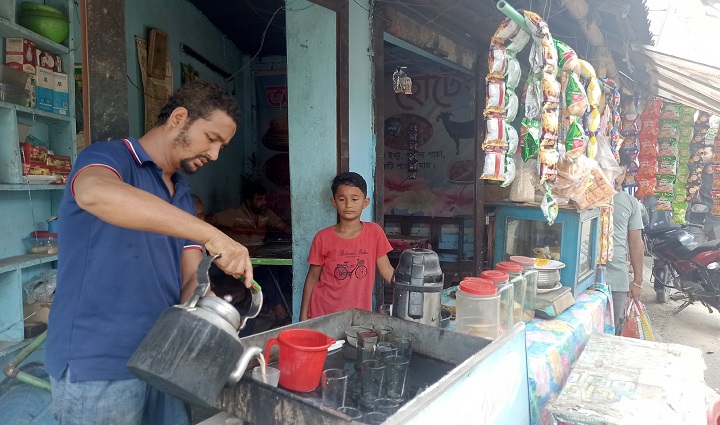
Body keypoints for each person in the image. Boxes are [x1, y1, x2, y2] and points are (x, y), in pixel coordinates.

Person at [45, 81, 254, 425]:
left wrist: (214, 316)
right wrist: (212, 235)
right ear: (179, 118)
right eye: (212, 139)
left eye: (223, 146)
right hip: (99, 362)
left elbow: (190, 278)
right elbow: (95, 194)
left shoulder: (183, 194)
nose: (215, 155)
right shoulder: (107, 158)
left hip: (164, 357)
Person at [300, 172, 395, 320]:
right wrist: (303, 315)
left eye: (355, 199)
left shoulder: (374, 232)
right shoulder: (322, 237)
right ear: (334, 202)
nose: (348, 205)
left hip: (359, 314)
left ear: (365, 202)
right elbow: (312, 278)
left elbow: (387, 270)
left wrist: (411, 289)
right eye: (342, 199)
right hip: (324, 312)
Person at [608, 151, 645, 333]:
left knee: (613, 334)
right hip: (586, 281)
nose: (615, 178)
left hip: (617, 282)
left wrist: (637, 282)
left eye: (620, 173)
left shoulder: (631, 203)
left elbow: (636, 243)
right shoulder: (586, 196)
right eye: (611, 171)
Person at [207, 182, 291, 247]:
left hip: (258, 260)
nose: (264, 202)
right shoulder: (235, 214)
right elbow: (211, 219)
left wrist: (301, 234)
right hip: (238, 261)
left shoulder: (267, 214)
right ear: (248, 202)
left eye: (264, 199)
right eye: (259, 199)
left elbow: (283, 226)